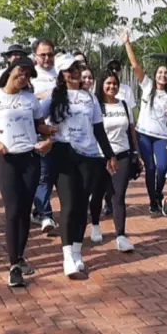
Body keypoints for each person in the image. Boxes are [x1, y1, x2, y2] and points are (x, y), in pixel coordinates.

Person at [0, 57, 55, 287]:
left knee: (23, 211)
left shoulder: (30, 99)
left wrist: (50, 136)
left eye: (28, 75)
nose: (23, 78)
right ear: (11, 71)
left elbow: (39, 125)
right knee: (12, 211)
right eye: (21, 72)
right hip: (6, 159)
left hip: (30, 158)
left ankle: (20, 257)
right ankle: (13, 266)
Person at [41, 54, 116, 278]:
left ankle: (77, 251)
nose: (74, 72)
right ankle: (67, 258)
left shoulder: (90, 98)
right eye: (69, 69)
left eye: (76, 67)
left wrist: (109, 155)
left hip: (90, 156)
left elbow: (99, 129)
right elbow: (35, 119)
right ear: (62, 75)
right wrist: (44, 135)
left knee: (83, 205)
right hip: (62, 153)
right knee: (69, 205)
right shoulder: (53, 97)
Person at [120, 31, 167, 214]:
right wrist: (127, 42)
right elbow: (135, 65)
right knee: (150, 168)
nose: (163, 75)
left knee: (162, 166)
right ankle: (153, 201)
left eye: (166, 73)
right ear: (156, 74)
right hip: (144, 134)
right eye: (160, 72)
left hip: (162, 136)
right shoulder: (148, 86)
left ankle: (158, 193)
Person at [90, 70, 142, 252]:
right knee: (97, 193)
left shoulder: (125, 105)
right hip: (99, 156)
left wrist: (136, 152)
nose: (112, 87)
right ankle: (95, 224)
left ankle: (120, 235)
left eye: (115, 83)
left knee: (118, 195)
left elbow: (131, 130)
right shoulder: (95, 106)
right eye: (108, 83)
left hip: (122, 155)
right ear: (101, 85)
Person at [30, 39, 59, 233]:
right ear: (35, 56)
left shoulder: (60, 74)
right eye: (43, 54)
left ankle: (38, 210)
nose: (47, 58)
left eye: (50, 54)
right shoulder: (31, 76)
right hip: (39, 133)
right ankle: (46, 215)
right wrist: (45, 96)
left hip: (61, 133)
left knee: (54, 176)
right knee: (43, 176)